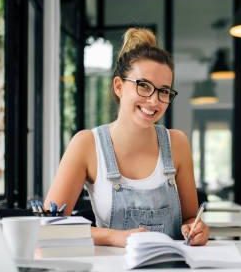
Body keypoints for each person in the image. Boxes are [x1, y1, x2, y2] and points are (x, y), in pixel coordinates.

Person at [45, 27, 209, 247]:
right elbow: (50, 224)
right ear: (119, 86)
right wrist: (113, 236)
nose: (154, 101)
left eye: (163, 91)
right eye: (144, 86)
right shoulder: (86, 144)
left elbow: (191, 217)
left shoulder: (177, 143)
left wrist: (198, 229)